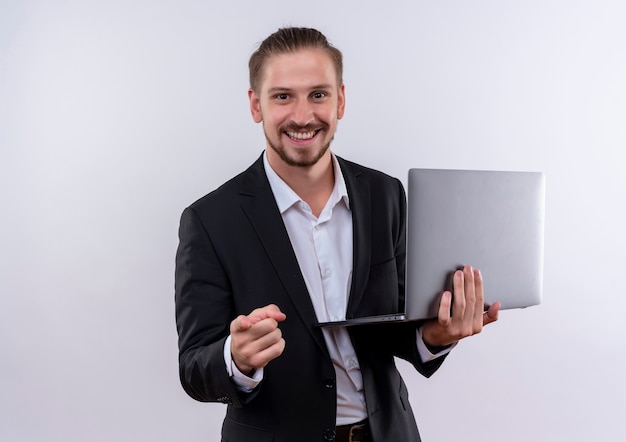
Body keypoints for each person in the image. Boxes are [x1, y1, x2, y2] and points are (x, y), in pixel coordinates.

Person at [175, 27, 500, 442]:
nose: (302, 115)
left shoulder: (385, 195)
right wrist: (236, 358)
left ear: (340, 100)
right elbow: (193, 368)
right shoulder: (210, 220)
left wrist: (437, 335)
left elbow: (394, 321)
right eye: (282, 96)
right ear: (256, 105)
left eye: (318, 94)